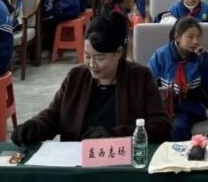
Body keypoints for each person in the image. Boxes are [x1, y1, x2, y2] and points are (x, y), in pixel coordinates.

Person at [13, 14, 171, 143]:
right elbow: (53, 115)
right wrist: (34, 126)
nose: (92, 64)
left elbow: (161, 127)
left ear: (118, 52)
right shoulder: (76, 77)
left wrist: (116, 135)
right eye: (87, 56)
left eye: (100, 58)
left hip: (122, 162)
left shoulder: (140, 77)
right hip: (77, 160)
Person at [147, 18, 208, 141]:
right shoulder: (161, 55)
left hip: (190, 106)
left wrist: (206, 64)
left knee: (179, 126)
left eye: (198, 37)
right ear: (178, 38)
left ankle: (181, 153)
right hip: (164, 105)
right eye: (190, 37)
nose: (195, 41)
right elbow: (147, 83)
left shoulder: (203, 57)